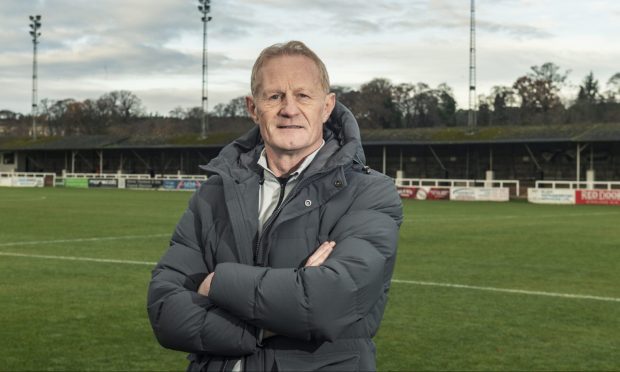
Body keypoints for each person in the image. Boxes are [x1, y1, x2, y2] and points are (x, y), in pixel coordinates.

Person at [147, 40, 402, 371]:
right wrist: (279, 315)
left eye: (303, 95)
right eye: (274, 96)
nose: (289, 109)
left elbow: (326, 304)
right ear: (253, 108)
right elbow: (165, 309)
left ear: (327, 107)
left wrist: (216, 284)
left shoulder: (370, 193)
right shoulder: (212, 194)